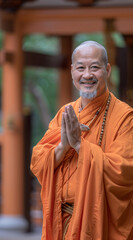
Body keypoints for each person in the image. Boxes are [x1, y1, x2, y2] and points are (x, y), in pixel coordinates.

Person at [30, 41, 133, 240]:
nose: (87, 75)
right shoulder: (65, 113)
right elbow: (38, 162)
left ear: (107, 70)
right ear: (72, 71)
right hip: (62, 223)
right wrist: (63, 146)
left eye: (94, 67)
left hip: (98, 221)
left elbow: (124, 171)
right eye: (81, 68)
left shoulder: (124, 117)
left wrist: (79, 145)